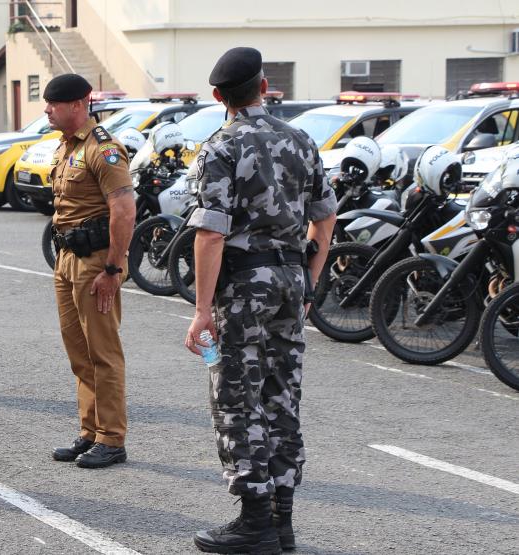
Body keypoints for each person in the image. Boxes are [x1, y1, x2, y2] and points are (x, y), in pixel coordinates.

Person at [183, 47, 337, 553]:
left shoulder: (221, 146)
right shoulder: (301, 140)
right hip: (291, 283)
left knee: (235, 396)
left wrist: (203, 310)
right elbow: (325, 215)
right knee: (281, 395)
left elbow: (209, 235)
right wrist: (309, 280)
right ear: (265, 86)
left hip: (243, 288)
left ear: (217, 96)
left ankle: (254, 522)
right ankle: (281, 519)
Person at [44, 74, 136, 469]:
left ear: (79, 104)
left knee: (103, 352)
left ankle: (112, 438)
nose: (47, 109)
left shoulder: (105, 150)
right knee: (78, 352)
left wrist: (113, 268)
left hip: (97, 263)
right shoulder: (65, 147)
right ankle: (90, 431)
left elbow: (123, 210)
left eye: (54, 103)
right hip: (67, 260)